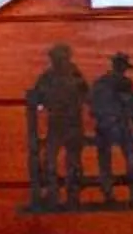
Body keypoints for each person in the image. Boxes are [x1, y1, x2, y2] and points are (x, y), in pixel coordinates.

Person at [26, 43, 88, 209]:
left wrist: (42, 105)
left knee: (64, 160)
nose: (57, 60)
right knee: (55, 160)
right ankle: (59, 195)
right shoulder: (55, 75)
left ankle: (67, 196)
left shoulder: (68, 75)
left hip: (66, 123)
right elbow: (37, 96)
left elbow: (84, 95)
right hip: (63, 123)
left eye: (58, 57)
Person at [87, 52, 133, 203]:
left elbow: (90, 104)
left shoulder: (100, 82)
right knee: (130, 155)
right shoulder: (125, 82)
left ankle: (108, 193)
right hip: (119, 124)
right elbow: (130, 107)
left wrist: (99, 116)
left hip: (102, 125)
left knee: (105, 160)